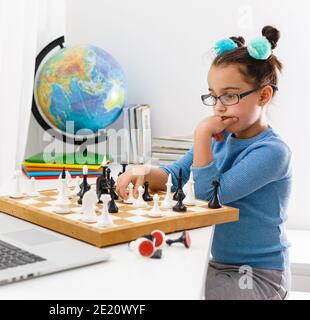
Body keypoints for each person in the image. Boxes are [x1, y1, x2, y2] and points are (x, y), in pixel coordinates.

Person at [116, 26, 291, 300]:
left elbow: (208, 197)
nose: (219, 107)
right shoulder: (219, 138)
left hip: (257, 274)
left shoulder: (273, 152)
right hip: (219, 265)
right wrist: (143, 171)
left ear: (264, 95)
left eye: (230, 96)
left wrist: (201, 135)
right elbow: (175, 175)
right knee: (154, 284)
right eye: (214, 95)